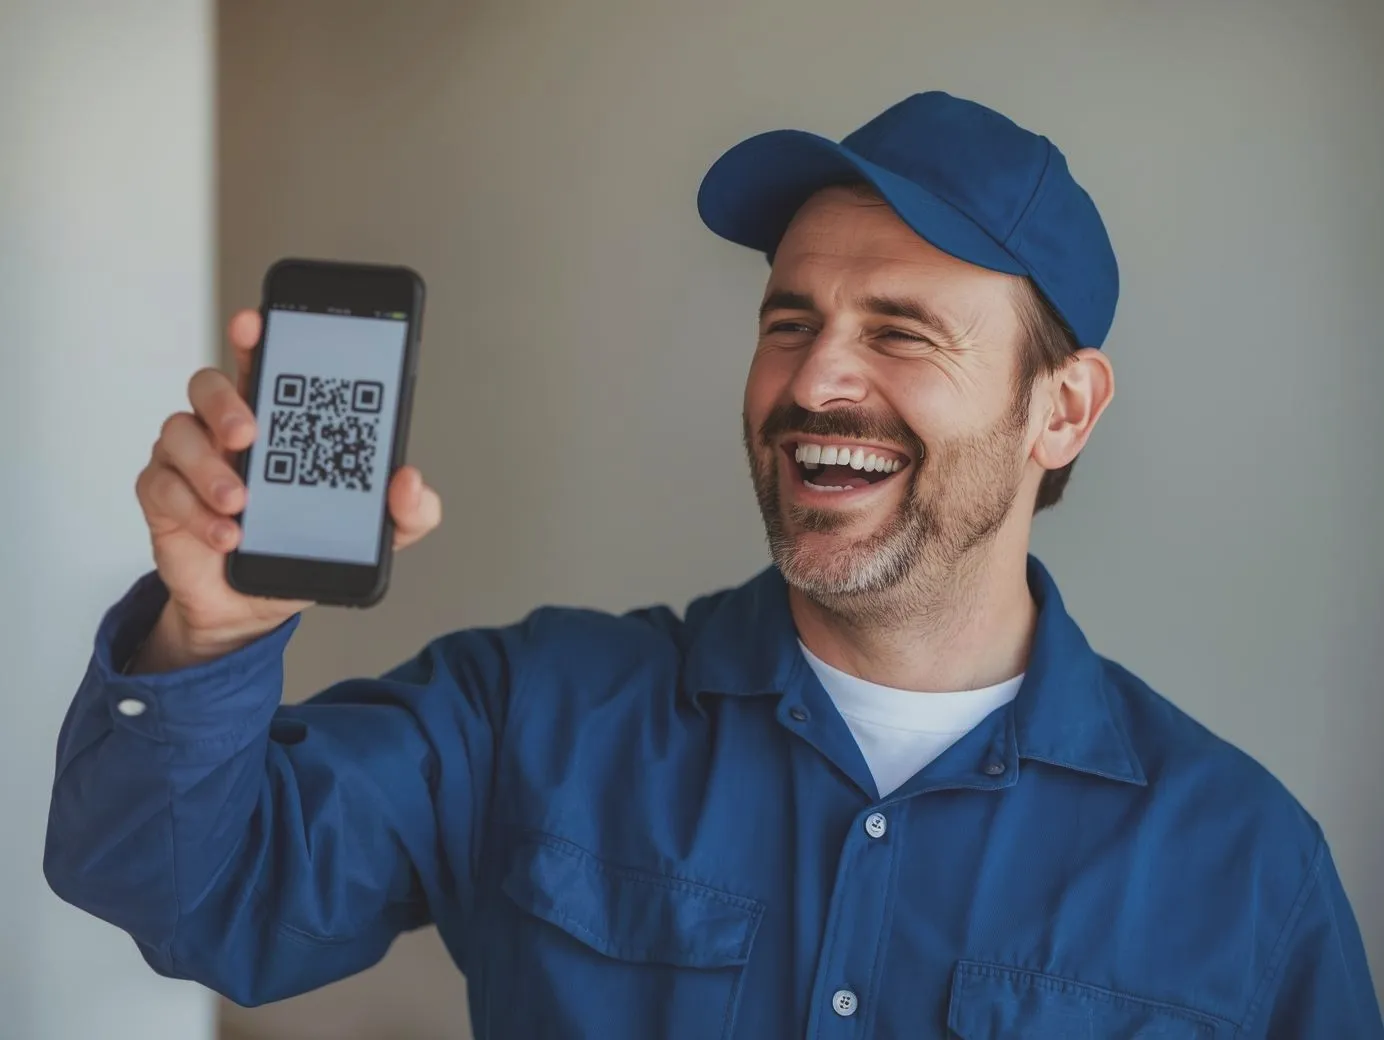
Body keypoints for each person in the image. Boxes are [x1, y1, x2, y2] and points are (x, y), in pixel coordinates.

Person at [44, 92, 1381, 1038]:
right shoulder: (534, 716)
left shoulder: (1245, 868)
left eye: (901, 332)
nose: (815, 378)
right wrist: (208, 634)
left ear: (1064, 411)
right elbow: (185, 890)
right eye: (790, 319)